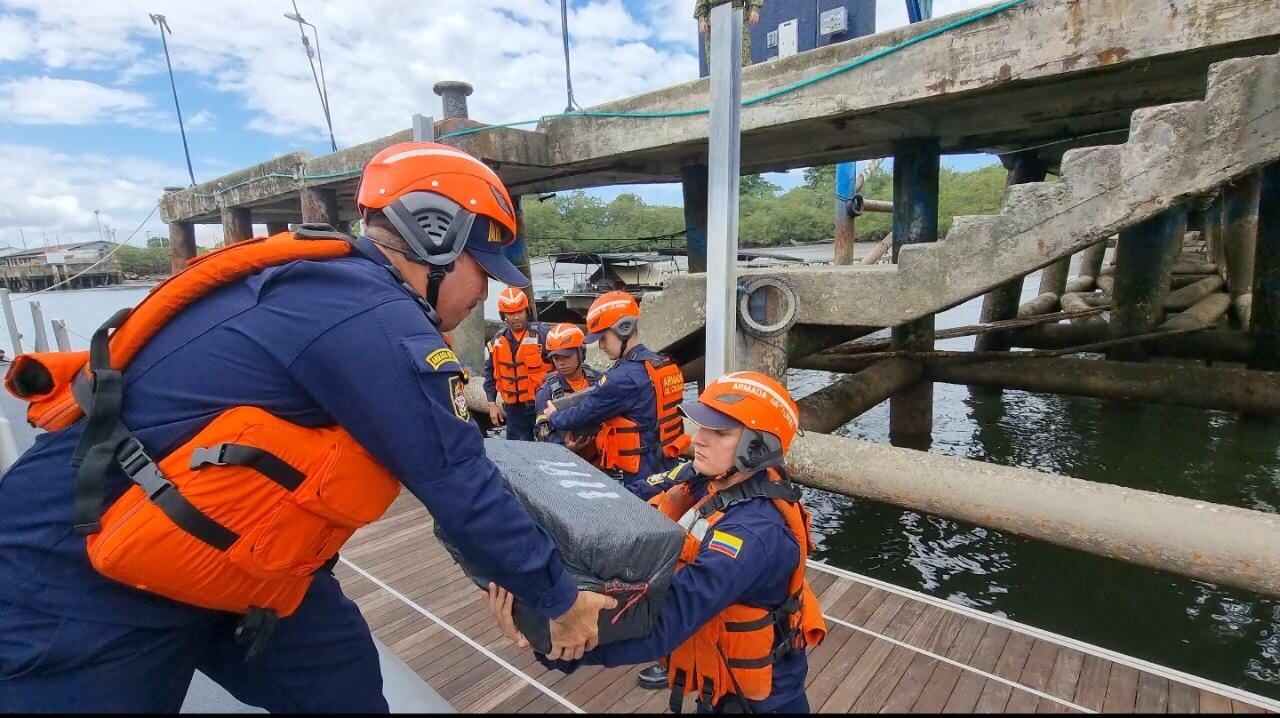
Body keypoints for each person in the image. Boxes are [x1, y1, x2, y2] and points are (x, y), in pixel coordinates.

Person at [0, 141, 615, 712]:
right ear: (437, 239)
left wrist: (508, 580)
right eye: (482, 270)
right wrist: (557, 599)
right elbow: (456, 478)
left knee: (340, 680)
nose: (484, 292)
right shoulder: (369, 316)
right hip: (80, 567)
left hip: (230, 559)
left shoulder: (339, 293)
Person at [489, 371, 828, 713]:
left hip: (760, 703)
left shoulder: (753, 535)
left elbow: (665, 620)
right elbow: (621, 499)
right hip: (719, 688)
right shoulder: (705, 479)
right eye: (703, 427)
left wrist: (553, 638)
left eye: (720, 433)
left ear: (757, 450)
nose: (698, 440)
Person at [541, 291, 690, 500]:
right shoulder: (662, 364)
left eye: (603, 338)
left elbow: (585, 414)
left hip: (642, 472)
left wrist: (554, 415)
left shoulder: (623, 377)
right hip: (669, 463)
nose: (601, 346)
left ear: (624, 329)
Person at [484, 287, 553, 441]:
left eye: (520, 312)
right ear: (503, 316)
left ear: (526, 311)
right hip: (514, 411)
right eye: (510, 313)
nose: (516, 317)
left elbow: (561, 364)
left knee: (548, 446)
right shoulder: (497, 341)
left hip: (540, 405)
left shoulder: (542, 335)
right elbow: (489, 374)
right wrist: (492, 405)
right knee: (519, 449)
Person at [533, 323, 602, 457]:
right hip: (569, 460)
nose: (561, 363)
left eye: (566, 356)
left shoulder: (599, 381)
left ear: (581, 353)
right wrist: (565, 447)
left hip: (602, 458)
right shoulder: (546, 392)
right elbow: (542, 430)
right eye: (556, 358)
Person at [696, 0, 764, 68]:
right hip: (714, 19)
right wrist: (701, 18)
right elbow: (702, 2)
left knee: (741, 58)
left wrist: (755, 8)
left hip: (736, 13)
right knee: (716, 64)